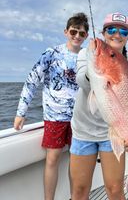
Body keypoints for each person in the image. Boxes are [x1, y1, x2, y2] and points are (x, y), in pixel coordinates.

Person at [14, 13, 89, 200]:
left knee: (77, 162)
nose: (77, 36)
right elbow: (32, 81)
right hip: (55, 118)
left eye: (82, 33)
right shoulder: (51, 53)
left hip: (80, 119)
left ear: (86, 36)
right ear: (66, 32)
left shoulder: (88, 57)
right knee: (52, 159)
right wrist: (21, 112)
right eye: (74, 31)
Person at [70, 12, 128, 200]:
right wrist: (101, 65)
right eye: (111, 29)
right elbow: (82, 81)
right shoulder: (88, 52)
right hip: (83, 132)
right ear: (104, 32)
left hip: (112, 133)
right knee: (79, 190)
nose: (117, 34)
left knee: (115, 190)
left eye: (124, 31)